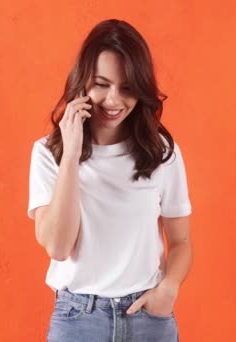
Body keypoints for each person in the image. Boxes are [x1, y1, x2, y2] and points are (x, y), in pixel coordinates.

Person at [27, 19, 193, 341]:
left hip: (148, 319)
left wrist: (168, 290)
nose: (113, 100)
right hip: (78, 321)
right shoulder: (49, 154)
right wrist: (72, 155)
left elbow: (182, 243)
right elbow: (59, 247)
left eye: (127, 87)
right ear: (82, 82)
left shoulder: (160, 152)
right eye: (101, 84)